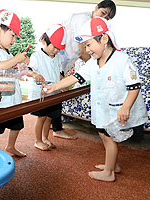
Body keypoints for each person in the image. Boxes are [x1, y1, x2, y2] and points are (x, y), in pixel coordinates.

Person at [44, 17, 148, 181]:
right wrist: (54, 86)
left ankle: (109, 173)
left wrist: (126, 107)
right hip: (104, 109)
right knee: (103, 134)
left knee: (109, 137)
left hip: (117, 109)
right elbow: (76, 77)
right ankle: (112, 165)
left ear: (104, 39)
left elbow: (134, 86)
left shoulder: (122, 60)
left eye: (89, 44)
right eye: (85, 46)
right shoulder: (93, 63)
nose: (87, 49)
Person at [51, 0, 117, 140]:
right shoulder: (82, 19)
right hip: (56, 55)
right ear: (96, 8)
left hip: (65, 60)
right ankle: (56, 128)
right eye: (103, 13)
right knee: (54, 92)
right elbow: (83, 48)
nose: (103, 18)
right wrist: (95, 69)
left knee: (57, 91)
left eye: (107, 18)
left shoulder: (95, 27)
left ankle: (55, 126)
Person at [0, 9, 43, 156]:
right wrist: (16, 59)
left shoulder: (8, 54)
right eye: (12, 35)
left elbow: (17, 72)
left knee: (16, 125)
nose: (14, 40)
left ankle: (10, 147)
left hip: (12, 98)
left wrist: (31, 72)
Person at [29, 24, 67, 151]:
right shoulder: (36, 56)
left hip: (54, 94)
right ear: (45, 41)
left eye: (58, 49)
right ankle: (38, 141)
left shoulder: (57, 58)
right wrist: (34, 74)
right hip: (42, 94)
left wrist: (63, 83)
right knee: (42, 117)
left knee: (50, 117)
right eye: (54, 47)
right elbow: (27, 70)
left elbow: (60, 73)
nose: (56, 51)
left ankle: (45, 138)